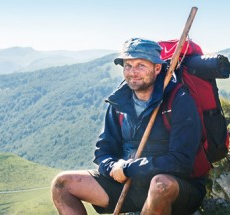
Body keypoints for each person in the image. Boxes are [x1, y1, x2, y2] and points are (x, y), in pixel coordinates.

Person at [51, 38, 205, 215]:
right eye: (128, 65)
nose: (133, 72)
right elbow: (103, 151)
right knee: (62, 184)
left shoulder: (178, 100)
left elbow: (181, 161)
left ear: (157, 68)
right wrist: (113, 168)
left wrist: (129, 168)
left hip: (177, 189)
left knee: (160, 184)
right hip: (129, 187)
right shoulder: (119, 103)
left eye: (141, 65)